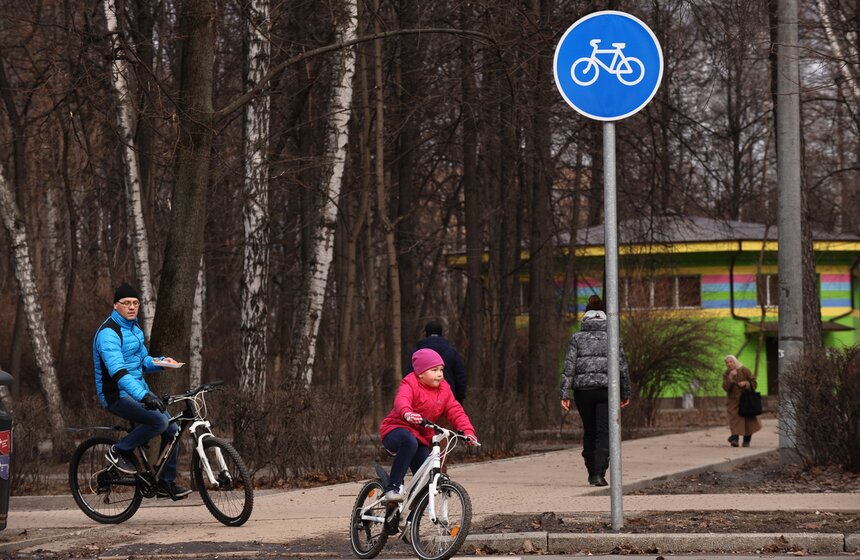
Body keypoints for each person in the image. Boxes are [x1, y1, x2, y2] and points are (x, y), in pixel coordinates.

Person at [92, 283, 191, 500]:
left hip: (137, 391)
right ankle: (118, 450)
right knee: (159, 422)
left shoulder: (134, 329)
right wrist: (143, 396)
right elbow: (118, 372)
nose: (131, 307)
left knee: (173, 430)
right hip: (115, 394)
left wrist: (162, 363)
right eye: (126, 303)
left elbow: (142, 362)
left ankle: (165, 483)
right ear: (115, 306)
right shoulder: (108, 333)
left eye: (135, 303)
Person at [380, 348, 478, 502]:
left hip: (421, 437)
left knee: (425, 476)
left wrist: (467, 431)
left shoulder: (444, 389)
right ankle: (393, 487)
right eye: (434, 370)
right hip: (396, 430)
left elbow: (456, 410)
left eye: (441, 369)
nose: (439, 374)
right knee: (409, 442)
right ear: (420, 373)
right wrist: (407, 413)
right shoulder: (410, 383)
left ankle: (409, 519)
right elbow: (402, 400)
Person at [559, 309, 631, 487]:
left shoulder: (576, 338)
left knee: (590, 430)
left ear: (585, 320)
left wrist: (564, 393)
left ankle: (591, 470)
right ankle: (598, 473)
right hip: (607, 391)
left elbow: (569, 366)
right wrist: (625, 392)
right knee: (604, 431)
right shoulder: (613, 337)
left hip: (583, 392)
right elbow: (622, 368)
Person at [411, 320, 468, 403]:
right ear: (441, 333)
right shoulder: (452, 351)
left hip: (422, 400)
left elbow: (410, 374)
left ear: (426, 333)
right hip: (448, 399)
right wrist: (459, 398)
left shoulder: (417, 352)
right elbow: (460, 377)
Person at [722, 355, 762, 447]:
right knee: (734, 420)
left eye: (730, 361)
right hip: (733, 401)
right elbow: (726, 388)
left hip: (746, 400)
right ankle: (735, 439)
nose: (729, 364)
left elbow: (754, 383)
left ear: (735, 361)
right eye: (727, 362)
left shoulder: (745, 370)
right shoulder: (727, 373)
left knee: (748, 420)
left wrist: (746, 383)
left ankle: (746, 441)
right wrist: (730, 377)